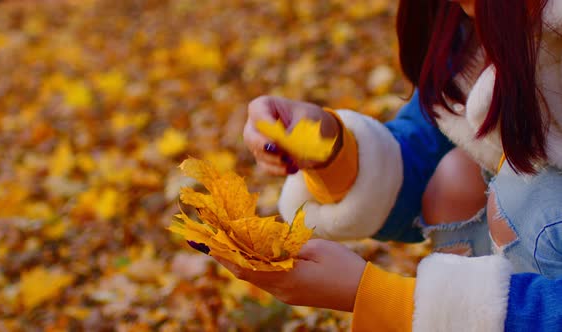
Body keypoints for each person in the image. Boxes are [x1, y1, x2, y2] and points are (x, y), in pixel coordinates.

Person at [214, 0, 562, 331]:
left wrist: (393, 301)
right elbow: (424, 156)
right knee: (456, 173)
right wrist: (326, 144)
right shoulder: (469, 32)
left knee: (527, 196)